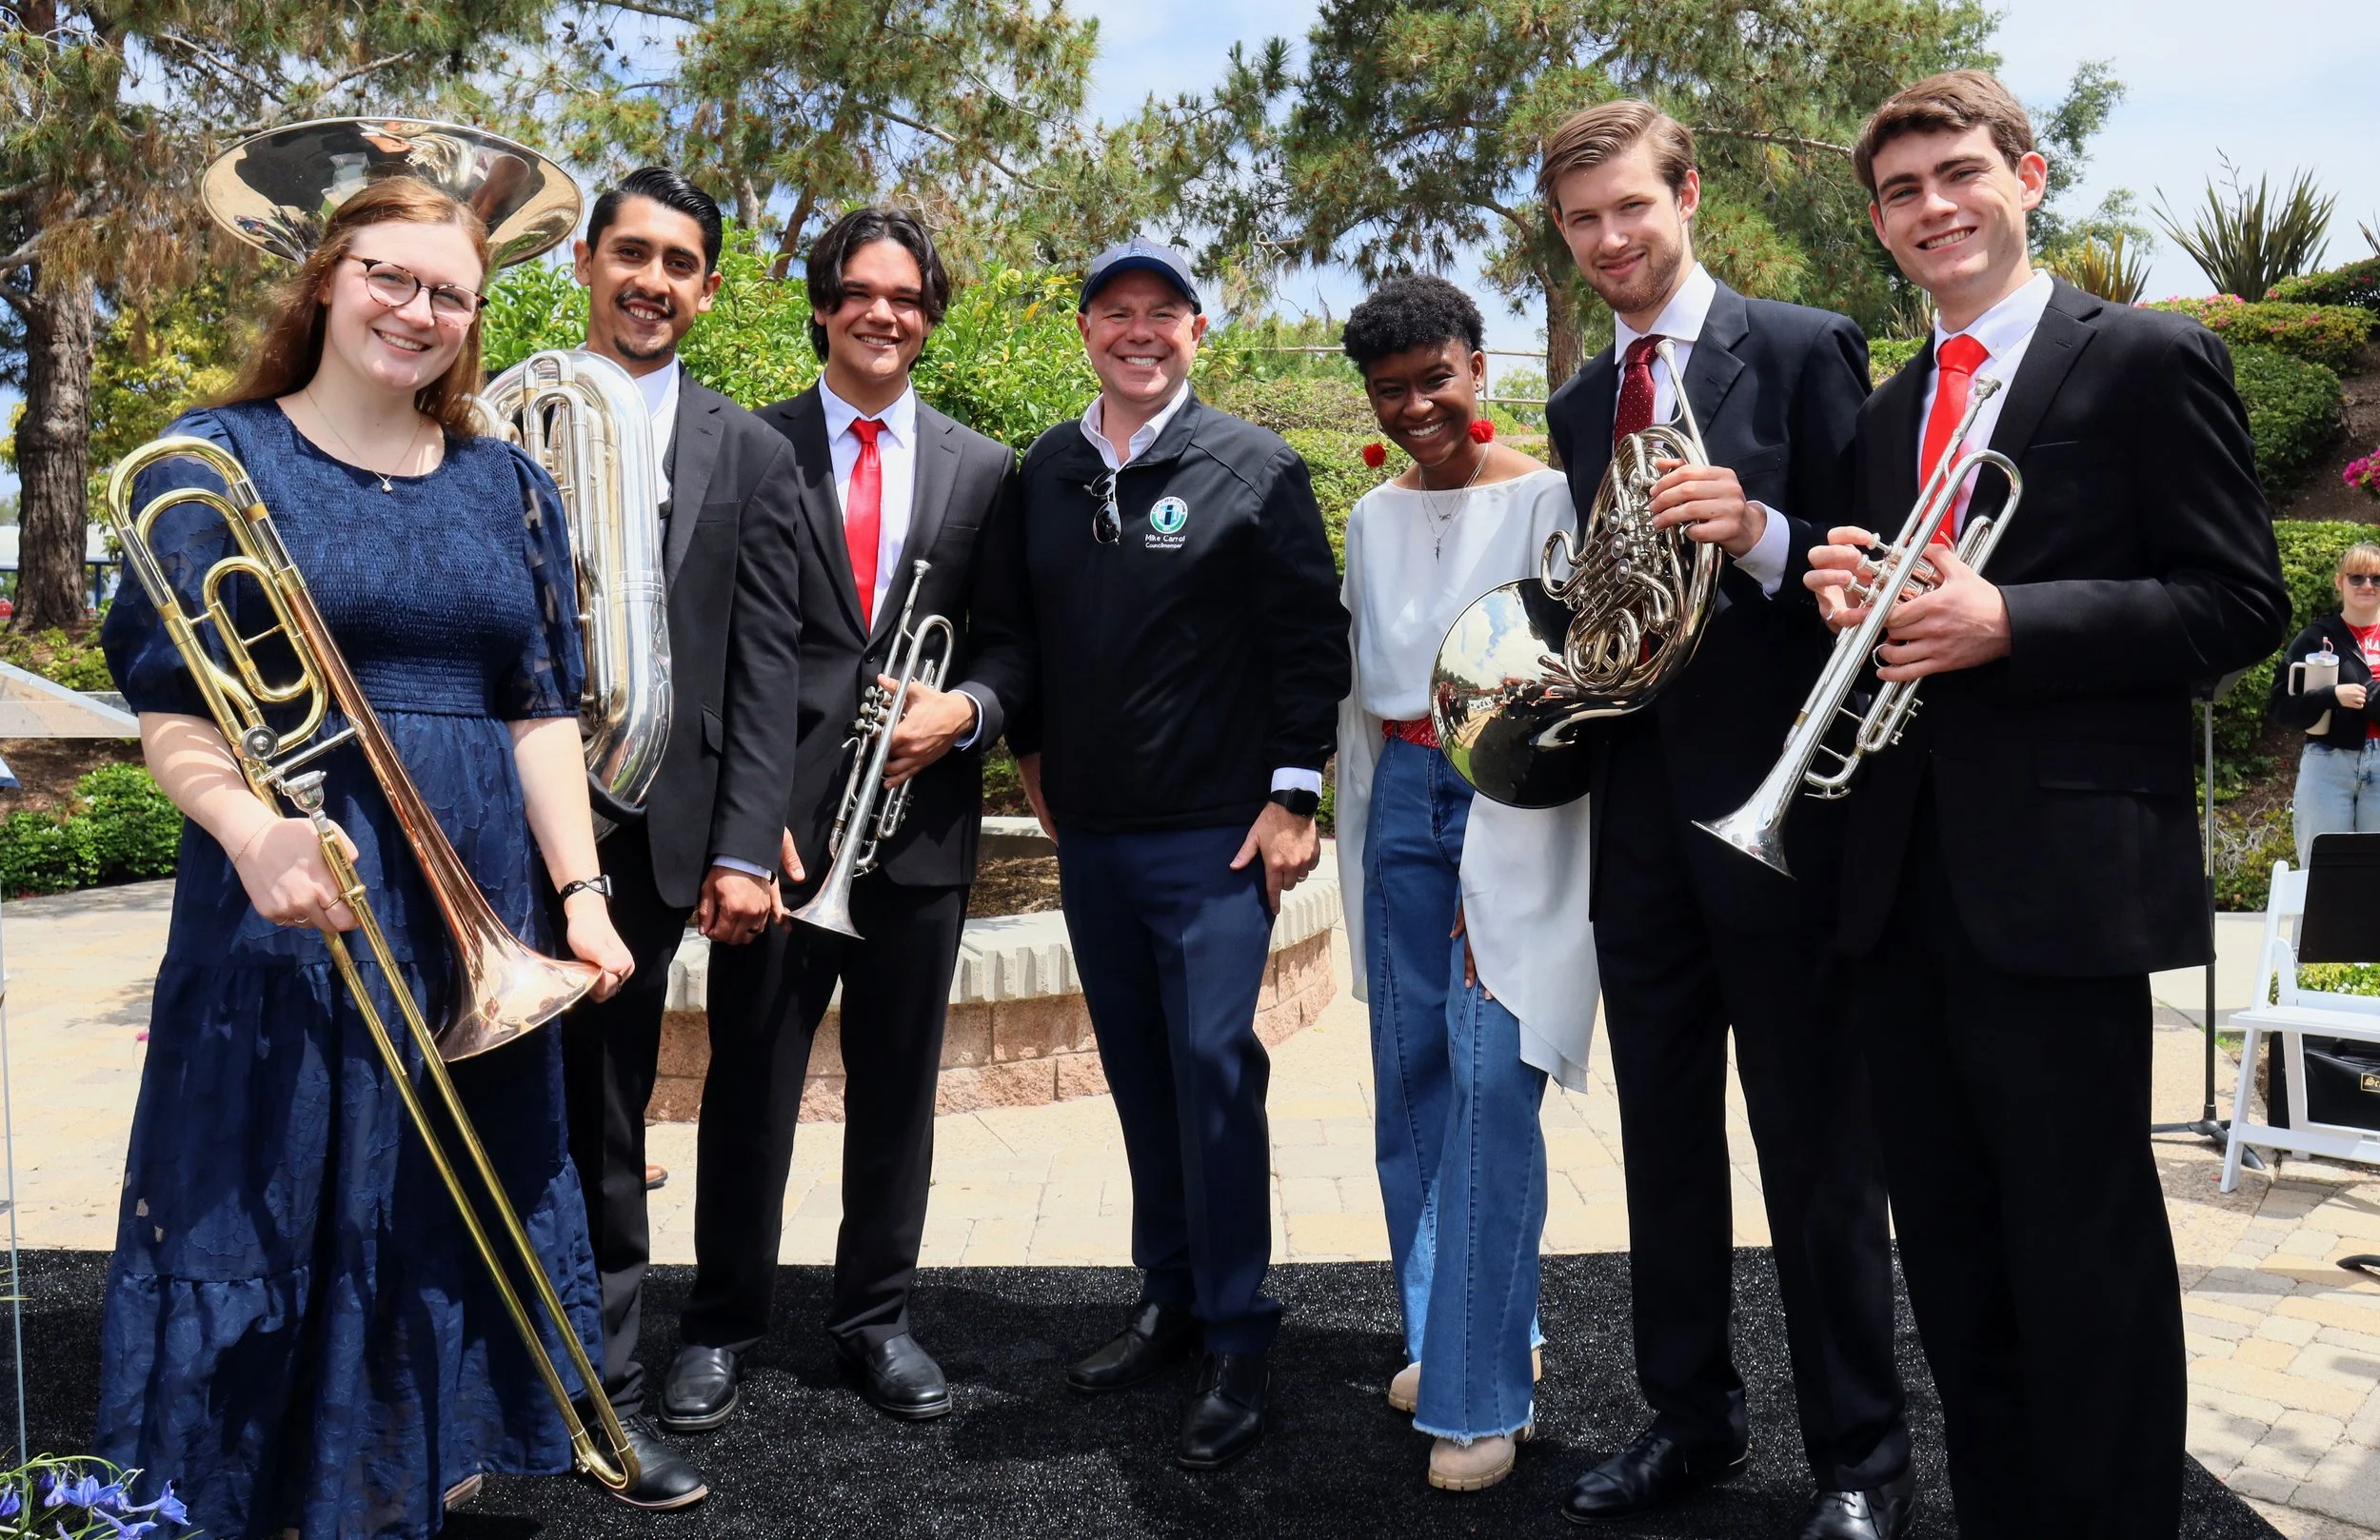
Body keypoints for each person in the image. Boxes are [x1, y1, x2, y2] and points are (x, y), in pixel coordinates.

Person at [94, 176, 635, 1539]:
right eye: (391, 277)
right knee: (274, 1199)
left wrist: (579, 894)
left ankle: (398, 1485)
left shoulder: (505, 480)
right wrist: (251, 828)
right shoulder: (217, 459)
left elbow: (538, 705)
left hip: (476, 897)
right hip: (293, 888)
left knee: (445, 1207)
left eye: (449, 292)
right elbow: (172, 709)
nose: (421, 311)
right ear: (327, 280)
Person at [1805, 71, 2288, 1537]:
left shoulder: (2144, 358)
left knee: (2084, 1255)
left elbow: (2237, 600)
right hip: (1901, 883)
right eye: (1901, 191)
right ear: (1881, 224)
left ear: (2029, 174)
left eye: (1959, 173)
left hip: (2061, 883)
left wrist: (2017, 618)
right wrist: (1857, 604)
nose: (1934, 208)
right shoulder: (1891, 413)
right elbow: (1905, 622)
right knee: (1952, 1254)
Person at [1536, 102, 1913, 1539]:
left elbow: (1867, 581)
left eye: (1633, 206)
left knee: (1818, 1148)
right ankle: (1688, 1418)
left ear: (1686, 195)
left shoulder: (1806, 345)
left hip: (1783, 820)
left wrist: (1753, 530)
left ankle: (1862, 1460)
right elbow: (1619, 620)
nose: (1612, 238)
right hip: (1640, 828)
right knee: (1666, 1147)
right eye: (1584, 221)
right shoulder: (1583, 403)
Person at [981, 236, 1349, 1470]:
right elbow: (1012, 626)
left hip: (1214, 839)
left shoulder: (1256, 466)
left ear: (1199, 330)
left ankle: (1242, 1331)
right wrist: (1027, 742)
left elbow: (1309, 640)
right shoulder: (1044, 469)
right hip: (1095, 836)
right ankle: (1171, 1296)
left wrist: (1295, 793)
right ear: (1085, 329)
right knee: (1142, 1073)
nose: (1137, 331)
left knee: (1211, 1067)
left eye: (1163, 312)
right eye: (1114, 312)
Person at [664, 205, 1022, 1428]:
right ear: (822, 304)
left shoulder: (983, 467)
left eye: (909, 297)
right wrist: (737, 819)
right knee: (748, 1086)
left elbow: (1014, 648)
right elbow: (710, 650)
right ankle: (719, 1322)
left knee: (896, 1089)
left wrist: (965, 710)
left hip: (914, 836)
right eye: (862, 291)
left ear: (930, 318)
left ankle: (876, 1318)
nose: (886, 313)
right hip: (775, 840)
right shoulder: (749, 449)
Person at [549, 167, 805, 1509]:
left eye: (680, 262)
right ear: (586, 260)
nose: (651, 279)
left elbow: (770, 658)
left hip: (651, 832)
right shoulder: (495, 416)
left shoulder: (747, 448)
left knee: (606, 1115)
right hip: (489, 822)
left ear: (708, 288)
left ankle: (609, 1393)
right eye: (629, 252)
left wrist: (749, 841)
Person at [1332, 274, 1597, 1494]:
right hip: (1398, 799)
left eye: (1436, 378)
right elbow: (1360, 697)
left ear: (1477, 369)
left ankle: (1478, 1393)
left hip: (1507, 802)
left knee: (1493, 1081)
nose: (1417, 405)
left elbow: (1580, 687)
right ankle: (1462, 1330)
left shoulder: (1548, 495)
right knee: (1411, 1086)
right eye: (1391, 391)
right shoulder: (1372, 515)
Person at [2271, 543, 2380, 864]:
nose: (2367, 586)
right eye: (2357, 577)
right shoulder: (2316, 637)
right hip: (2328, 764)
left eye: (2377, 578)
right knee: (2321, 875)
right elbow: (2281, 707)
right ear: (2339, 582)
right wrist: (2332, 696)